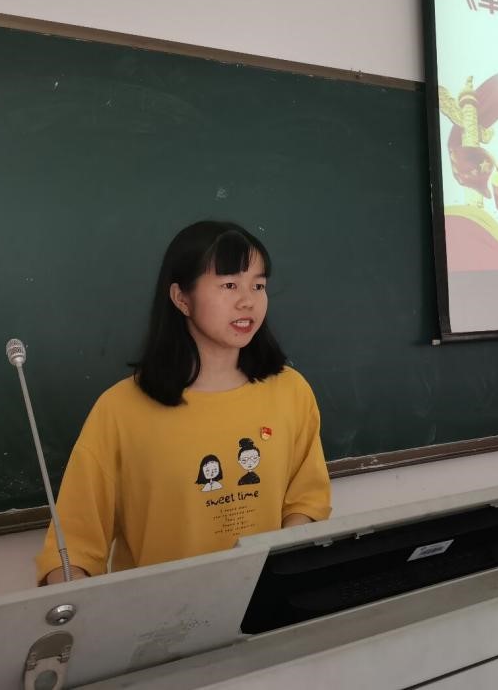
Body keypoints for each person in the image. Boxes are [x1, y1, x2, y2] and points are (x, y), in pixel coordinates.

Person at [35, 221, 331, 585]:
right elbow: (73, 547)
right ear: (181, 298)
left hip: (264, 603)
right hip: (159, 612)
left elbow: (307, 501)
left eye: (258, 285)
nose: (248, 301)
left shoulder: (291, 391)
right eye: (229, 285)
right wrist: (74, 590)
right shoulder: (120, 409)